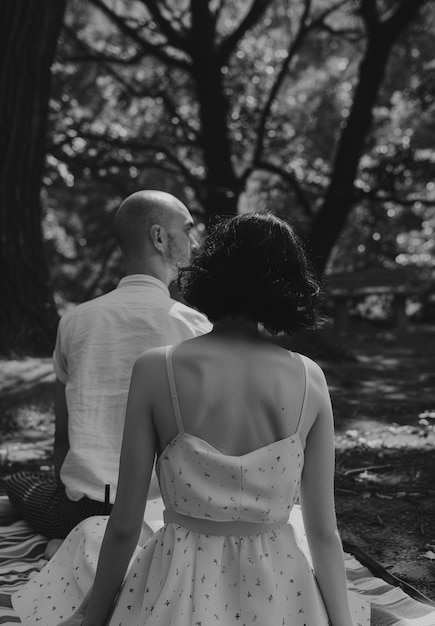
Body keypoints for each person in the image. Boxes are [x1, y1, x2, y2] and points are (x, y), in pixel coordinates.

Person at [13, 212, 369, 626]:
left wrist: (94, 620)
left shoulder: (156, 368)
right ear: (289, 283)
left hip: (177, 586)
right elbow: (324, 533)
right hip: (280, 594)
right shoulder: (310, 378)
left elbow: (125, 525)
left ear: (208, 272)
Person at [5, 190, 211, 540]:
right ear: (159, 237)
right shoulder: (196, 328)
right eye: (187, 229)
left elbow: (62, 437)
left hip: (81, 512)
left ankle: (78, 542)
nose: (194, 241)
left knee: (19, 481)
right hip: (166, 514)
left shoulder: (74, 321)